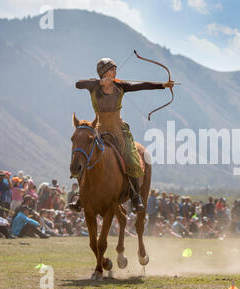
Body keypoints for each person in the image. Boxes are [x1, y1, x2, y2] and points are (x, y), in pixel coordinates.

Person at [70, 58, 174, 213]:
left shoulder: (120, 86)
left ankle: (135, 196)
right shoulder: (93, 86)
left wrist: (163, 85)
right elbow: (78, 84)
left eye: (115, 70)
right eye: (112, 69)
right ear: (104, 72)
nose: (115, 72)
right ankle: (80, 196)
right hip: (99, 130)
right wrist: (99, 83)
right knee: (85, 156)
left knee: (131, 158)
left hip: (118, 130)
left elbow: (141, 86)